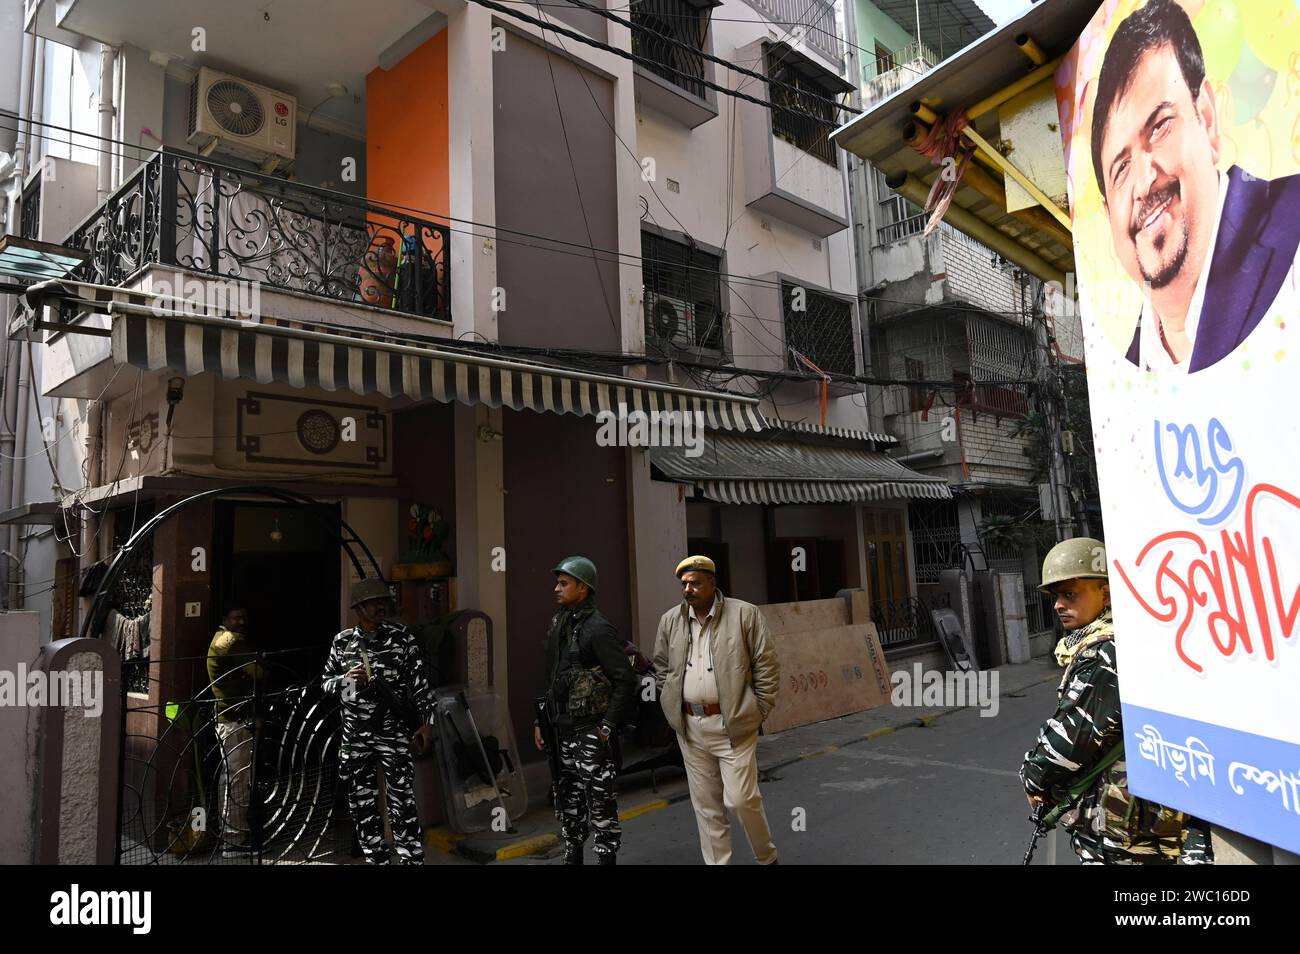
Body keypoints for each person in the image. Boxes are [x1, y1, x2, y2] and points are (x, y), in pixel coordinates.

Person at [1087, 0, 1300, 373]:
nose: (1143, 181)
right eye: (1121, 168)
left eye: (1159, 127)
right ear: (1107, 216)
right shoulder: (1122, 379)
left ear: (1207, 119)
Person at [1020, 537, 1212, 864]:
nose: (1058, 605)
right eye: (1056, 596)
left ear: (1105, 594)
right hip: (1133, 815)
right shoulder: (1130, 637)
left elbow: (1069, 741)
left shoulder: (1105, 652)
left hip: (1123, 826)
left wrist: (1032, 775)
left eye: (1070, 593)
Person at [652, 555, 780, 865]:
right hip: (691, 727)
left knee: (740, 800)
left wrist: (757, 710)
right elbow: (661, 667)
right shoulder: (671, 620)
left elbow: (767, 666)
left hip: (733, 725)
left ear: (712, 583)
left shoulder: (744, 615)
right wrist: (671, 705)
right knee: (706, 807)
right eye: (684, 584)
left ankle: (766, 857)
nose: (688, 589)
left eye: (695, 583)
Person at [322, 578, 435, 865]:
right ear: (358, 608)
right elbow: (325, 684)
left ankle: (411, 860)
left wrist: (426, 724)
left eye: (383, 600)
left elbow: (420, 684)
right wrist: (344, 681)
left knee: (402, 801)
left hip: (392, 733)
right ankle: (377, 860)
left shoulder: (401, 638)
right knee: (362, 804)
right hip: (356, 735)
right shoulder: (342, 642)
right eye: (373, 602)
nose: (380, 605)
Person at [535, 556, 637, 865]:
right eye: (557, 582)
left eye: (564, 583)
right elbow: (552, 676)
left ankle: (606, 857)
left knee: (600, 803)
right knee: (568, 802)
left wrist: (607, 726)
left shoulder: (598, 628)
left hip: (590, 729)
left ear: (583, 587)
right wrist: (540, 721)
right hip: (561, 728)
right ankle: (573, 854)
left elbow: (625, 679)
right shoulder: (559, 623)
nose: (557, 589)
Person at [207, 603, 261, 857]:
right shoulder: (230, 642)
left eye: (243, 617)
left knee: (231, 778)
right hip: (234, 720)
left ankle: (230, 833)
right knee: (238, 780)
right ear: (224, 619)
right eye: (236, 617)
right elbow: (258, 672)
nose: (241, 622)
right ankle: (234, 840)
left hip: (229, 719)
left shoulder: (223, 639)